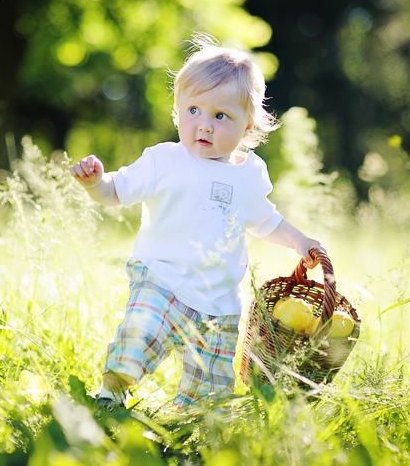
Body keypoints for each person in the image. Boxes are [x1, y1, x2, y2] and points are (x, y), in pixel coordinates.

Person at [70, 36, 323, 410]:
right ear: (177, 109)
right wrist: (95, 182)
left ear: (248, 125)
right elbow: (115, 192)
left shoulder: (250, 174)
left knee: (209, 396)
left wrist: (300, 241)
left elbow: (266, 220)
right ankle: (110, 397)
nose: (204, 125)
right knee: (138, 335)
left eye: (221, 116)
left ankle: (192, 432)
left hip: (219, 302)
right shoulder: (163, 161)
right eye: (193, 110)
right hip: (161, 279)